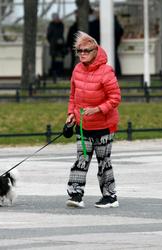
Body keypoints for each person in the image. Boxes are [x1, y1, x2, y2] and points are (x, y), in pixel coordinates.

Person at [65, 31, 121, 208]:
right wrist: (71, 115)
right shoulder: (77, 70)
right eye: (79, 50)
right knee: (81, 160)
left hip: (104, 126)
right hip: (84, 126)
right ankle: (76, 195)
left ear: (96, 50)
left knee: (104, 162)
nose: (82, 53)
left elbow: (115, 98)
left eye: (86, 50)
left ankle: (110, 197)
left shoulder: (106, 72)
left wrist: (97, 109)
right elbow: (73, 96)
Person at [46, 13, 66, 77]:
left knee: (60, 60)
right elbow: (48, 36)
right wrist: (53, 42)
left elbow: (61, 34)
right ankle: (54, 73)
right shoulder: (51, 25)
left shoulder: (61, 25)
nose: (57, 19)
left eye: (57, 17)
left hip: (60, 46)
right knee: (54, 60)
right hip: (54, 46)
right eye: (55, 18)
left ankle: (60, 72)